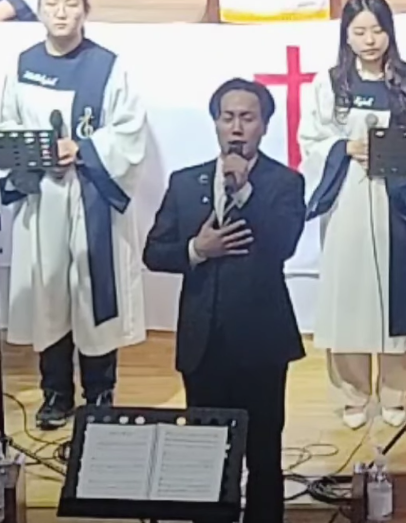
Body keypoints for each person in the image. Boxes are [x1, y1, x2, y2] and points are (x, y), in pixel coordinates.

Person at [144, 79, 306, 523]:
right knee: (205, 452)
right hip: (203, 342)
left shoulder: (284, 182)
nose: (237, 128)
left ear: (265, 125)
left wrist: (244, 192)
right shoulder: (185, 182)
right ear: (215, 123)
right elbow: (154, 252)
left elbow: (282, 244)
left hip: (261, 343)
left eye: (247, 118)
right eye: (228, 117)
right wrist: (197, 250)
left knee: (264, 454)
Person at [0, 0, 151, 429]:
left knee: (92, 290)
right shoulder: (23, 64)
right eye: (51, 4)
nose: (61, 13)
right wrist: (37, 154)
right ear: (39, 10)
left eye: (70, 4)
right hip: (44, 195)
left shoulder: (108, 65)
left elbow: (129, 130)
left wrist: (82, 149)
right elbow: (6, 124)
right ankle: (56, 392)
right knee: (49, 292)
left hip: (91, 193)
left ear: (86, 9)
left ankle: (100, 392)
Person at [299, 0, 406, 430]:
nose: (370, 40)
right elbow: (310, 140)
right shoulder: (331, 84)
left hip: (398, 200)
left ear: (390, 32)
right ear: (346, 36)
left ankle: (396, 393)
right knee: (349, 296)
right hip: (348, 201)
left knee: (398, 297)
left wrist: (396, 154)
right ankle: (352, 394)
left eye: (377, 30)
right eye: (359, 32)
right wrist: (344, 148)